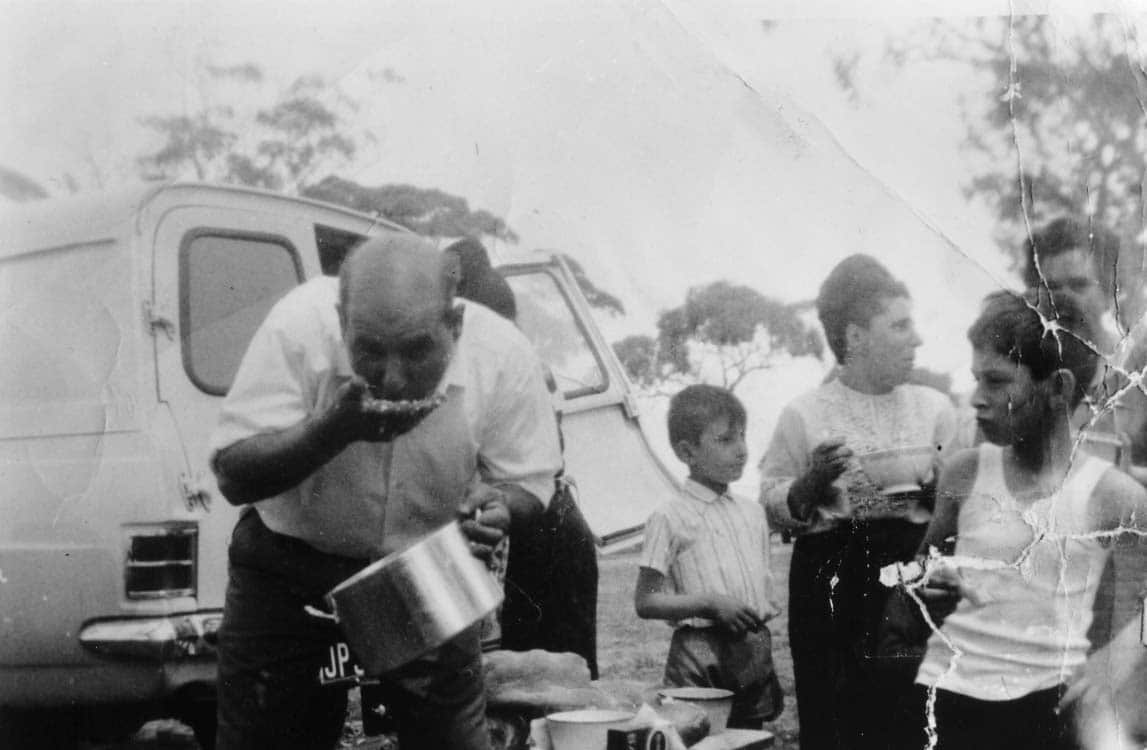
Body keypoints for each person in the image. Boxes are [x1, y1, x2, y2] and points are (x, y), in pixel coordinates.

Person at [209, 234, 563, 750]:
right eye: (369, 351)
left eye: (417, 350)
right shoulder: (296, 326)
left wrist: (500, 506)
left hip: (427, 568)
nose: (393, 379)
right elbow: (233, 475)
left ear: (455, 326)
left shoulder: (504, 355)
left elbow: (530, 483)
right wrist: (329, 431)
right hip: (287, 567)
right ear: (341, 320)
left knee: (451, 740)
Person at [903, 290, 1147, 750]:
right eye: (976, 380)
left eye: (996, 382)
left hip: (1045, 707)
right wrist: (928, 584)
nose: (977, 399)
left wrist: (1117, 656)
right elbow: (917, 580)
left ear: (1058, 388)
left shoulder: (1108, 493)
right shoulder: (966, 470)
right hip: (947, 692)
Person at [758, 254, 958, 750]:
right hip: (831, 586)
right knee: (837, 721)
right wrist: (811, 482)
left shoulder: (934, 409)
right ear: (855, 337)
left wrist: (942, 494)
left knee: (917, 719)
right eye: (900, 325)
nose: (916, 338)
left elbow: (962, 502)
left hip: (913, 575)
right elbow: (772, 501)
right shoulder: (804, 414)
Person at [444, 235, 600, 677]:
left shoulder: (512, 362)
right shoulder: (523, 358)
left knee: (537, 675)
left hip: (537, 527)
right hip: (550, 521)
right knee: (550, 671)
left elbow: (542, 461)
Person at [634, 384, 783, 730]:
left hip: (750, 646)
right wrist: (709, 604)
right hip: (698, 652)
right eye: (725, 440)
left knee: (748, 736)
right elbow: (646, 601)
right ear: (688, 452)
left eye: (742, 437)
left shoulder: (752, 513)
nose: (742, 450)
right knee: (699, 736)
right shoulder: (669, 517)